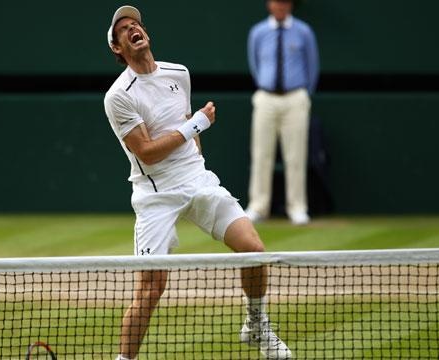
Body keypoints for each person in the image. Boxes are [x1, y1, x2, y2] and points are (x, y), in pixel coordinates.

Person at [103, 5, 292, 360]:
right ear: (118, 48)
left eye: (136, 24)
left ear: (146, 33)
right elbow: (147, 152)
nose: (133, 29)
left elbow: (187, 121)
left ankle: (256, 324)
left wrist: (195, 146)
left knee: (253, 250)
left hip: (198, 179)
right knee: (151, 288)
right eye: (124, 30)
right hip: (156, 195)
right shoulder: (119, 96)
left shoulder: (179, 73)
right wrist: (196, 126)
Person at [245, 0, 320, 225]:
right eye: (276, 1)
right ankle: (258, 207)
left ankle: (297, 208)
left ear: (290, 5)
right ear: (269, 4)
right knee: (261, 154)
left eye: (285, 2)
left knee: (295, 155)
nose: (280, 6)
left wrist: (304, 94)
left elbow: (312, 65)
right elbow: (254, 64)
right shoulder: (257, 32)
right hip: (266, 97)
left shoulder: (304, 31)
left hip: (295, 98)